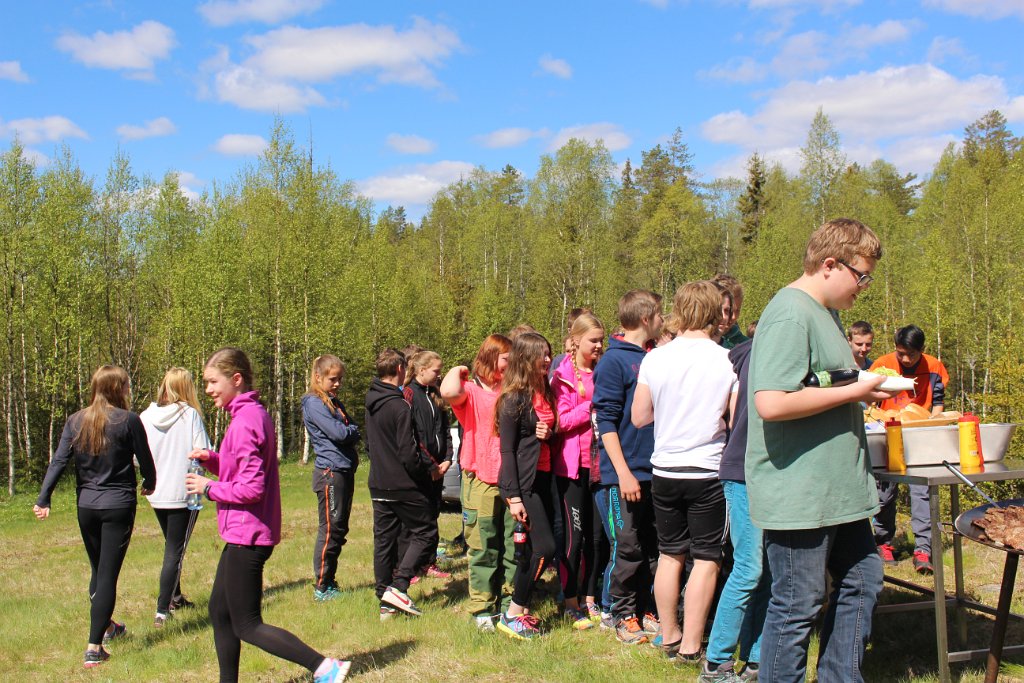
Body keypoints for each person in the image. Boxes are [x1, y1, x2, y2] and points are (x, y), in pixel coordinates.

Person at [746, 218, 892, 682]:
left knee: (863, 580)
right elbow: (771, 402)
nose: (863, 288)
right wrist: (854, 392)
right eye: (861, 276)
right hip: (801, 494)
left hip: (837, 492)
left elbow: (821, 382)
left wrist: (860, 387)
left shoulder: (826, 312)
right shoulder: (790, 312)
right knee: (797, 604)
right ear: (830, 264)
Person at [184, 347, 349, 683]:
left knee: (247, 624)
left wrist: (208, 488)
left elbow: (251, 488)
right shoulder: (250, 414)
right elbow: (240, 470)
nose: (208, 389)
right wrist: (212, 461)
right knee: (219, 610)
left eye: (213, 382)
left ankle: (325, 667)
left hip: (248, 533)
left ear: (236, 379)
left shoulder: (245, 422)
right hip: (243, 532)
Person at [632, 280, 738, 664]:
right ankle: (692, 644)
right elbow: (734, 419)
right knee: (707, 558)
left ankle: (669, 634)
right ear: (714, 311)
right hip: (707, 469)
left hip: (665, 469)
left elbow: (639, 416)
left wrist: (672, 412)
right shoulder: (727, 359)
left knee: (670, 554)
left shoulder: (655, 358)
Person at [35, 365, 157, 669]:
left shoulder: (76, 420)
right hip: (118, 505)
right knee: (106, 576)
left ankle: (110, 627)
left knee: (98, 569)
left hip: (87, 506)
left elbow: (59, 460)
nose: (129, 389)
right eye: (126, 385)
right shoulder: (128, 420)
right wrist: (150, 482)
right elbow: (146, 460)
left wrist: (44, 497)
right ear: (117, 388)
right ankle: (94, 648)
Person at [592, 289, 663, 645]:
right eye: (660, 314)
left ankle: (648, 610)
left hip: (656, 471)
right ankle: (621, 614)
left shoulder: (654, 357)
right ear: (647, 318)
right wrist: (622, 473)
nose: (663, 320)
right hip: (624, 475)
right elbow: (605, 421)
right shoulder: (613, 361)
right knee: (628, 547)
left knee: (653, 547)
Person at [701, 338, 770, 682]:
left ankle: (756, 659)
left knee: (767, 569)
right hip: (743, 472)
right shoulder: (764, 351)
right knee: (749, 567)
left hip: (768, 472)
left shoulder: (763, 349)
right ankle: (716, 663)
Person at [439, 334, 514, 631]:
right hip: (480, 479)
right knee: (483, 547)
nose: (511, 363)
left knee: (513, 546)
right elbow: (448, 390)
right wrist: (458, 368)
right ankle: (483, 608)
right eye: (506, 358)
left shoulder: (513, 388)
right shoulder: (470, 391)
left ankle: (510, 605)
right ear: (491, 357)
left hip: (512, 479)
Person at [364, 348, 441, 619]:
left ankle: (385, 600)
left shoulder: (371, 402)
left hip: (379, 483)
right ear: (400, 369)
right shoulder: (399, 405)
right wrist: (426, 474)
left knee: (384, 541)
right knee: (426, 531)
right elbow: (409, 453)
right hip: (402, 484)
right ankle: (398, 586)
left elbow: (369, 445)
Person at [869, 324, 950, 574]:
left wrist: (932, 423)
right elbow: (869, 400)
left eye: (911, 355)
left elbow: (938, 403)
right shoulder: (882, 364)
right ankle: (883, 542)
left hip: (919, 437)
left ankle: (923, 550)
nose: (905, 359)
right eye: (900, 353)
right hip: (888, 434)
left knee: (921, 492)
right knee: (885, 493)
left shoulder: (934, 366)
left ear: (921, 350)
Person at [496, 332, 557, 639]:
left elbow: (546, 434)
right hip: (524, 484)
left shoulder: (545, 391)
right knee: (546, 548)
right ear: (525, 358)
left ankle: (518, 612)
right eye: (541, 354)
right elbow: (506, 450)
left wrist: (549, 433)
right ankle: (513, 612)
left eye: (548, 353)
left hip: (545, 478)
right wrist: (514, 496)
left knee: (532, 550)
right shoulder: (513, 399)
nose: (547, 359)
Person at [140, 367, 212, 628]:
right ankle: (163, 609)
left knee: (172, 545)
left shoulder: (145, 416)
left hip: (157, 492)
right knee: (175, 551)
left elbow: (138, 456)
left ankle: (176, 597)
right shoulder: (189, 414)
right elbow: (202, 450)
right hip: (185, 492)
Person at [551, 312, 605, 630]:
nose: (598, 346)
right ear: (576, 340)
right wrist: (592, 406)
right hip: (572, 468)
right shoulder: (563, 376)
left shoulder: (603, 371)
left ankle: (590, 597)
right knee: (575, 536)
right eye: (593, 340)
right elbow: (561, 421)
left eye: (601, 340)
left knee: (597, 538)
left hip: (601, 466)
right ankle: (570, 601)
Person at [302, 354, 361, 602]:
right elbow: (340, 433)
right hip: (330, 473)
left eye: (340, 379)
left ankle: (330, 581)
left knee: (340, 529)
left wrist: (351, 431)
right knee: (330, 529)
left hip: (343, 470)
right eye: (333, 379)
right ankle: (322, 585)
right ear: (318, 377)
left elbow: (353, 427)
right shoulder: (314, 403)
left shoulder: (333, 401)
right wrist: (350, 431)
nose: (337, 384)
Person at [403, 350, 453, 579]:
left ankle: (428, 563)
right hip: (421, 468)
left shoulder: (435, 394)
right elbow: (412, 436)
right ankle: (410, 566)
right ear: (421, 370)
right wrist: (431, 466)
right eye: (436, 371)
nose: (439, 375)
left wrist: (448, 458)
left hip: (439, 467)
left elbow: (445, 429)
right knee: (417, 519)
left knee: (433, 513)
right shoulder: (409, 394)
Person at [713, 273, 749, 349]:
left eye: (737, 311)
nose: (733, 317)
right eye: (728, 310)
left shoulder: (746, 346)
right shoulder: (694, 340)